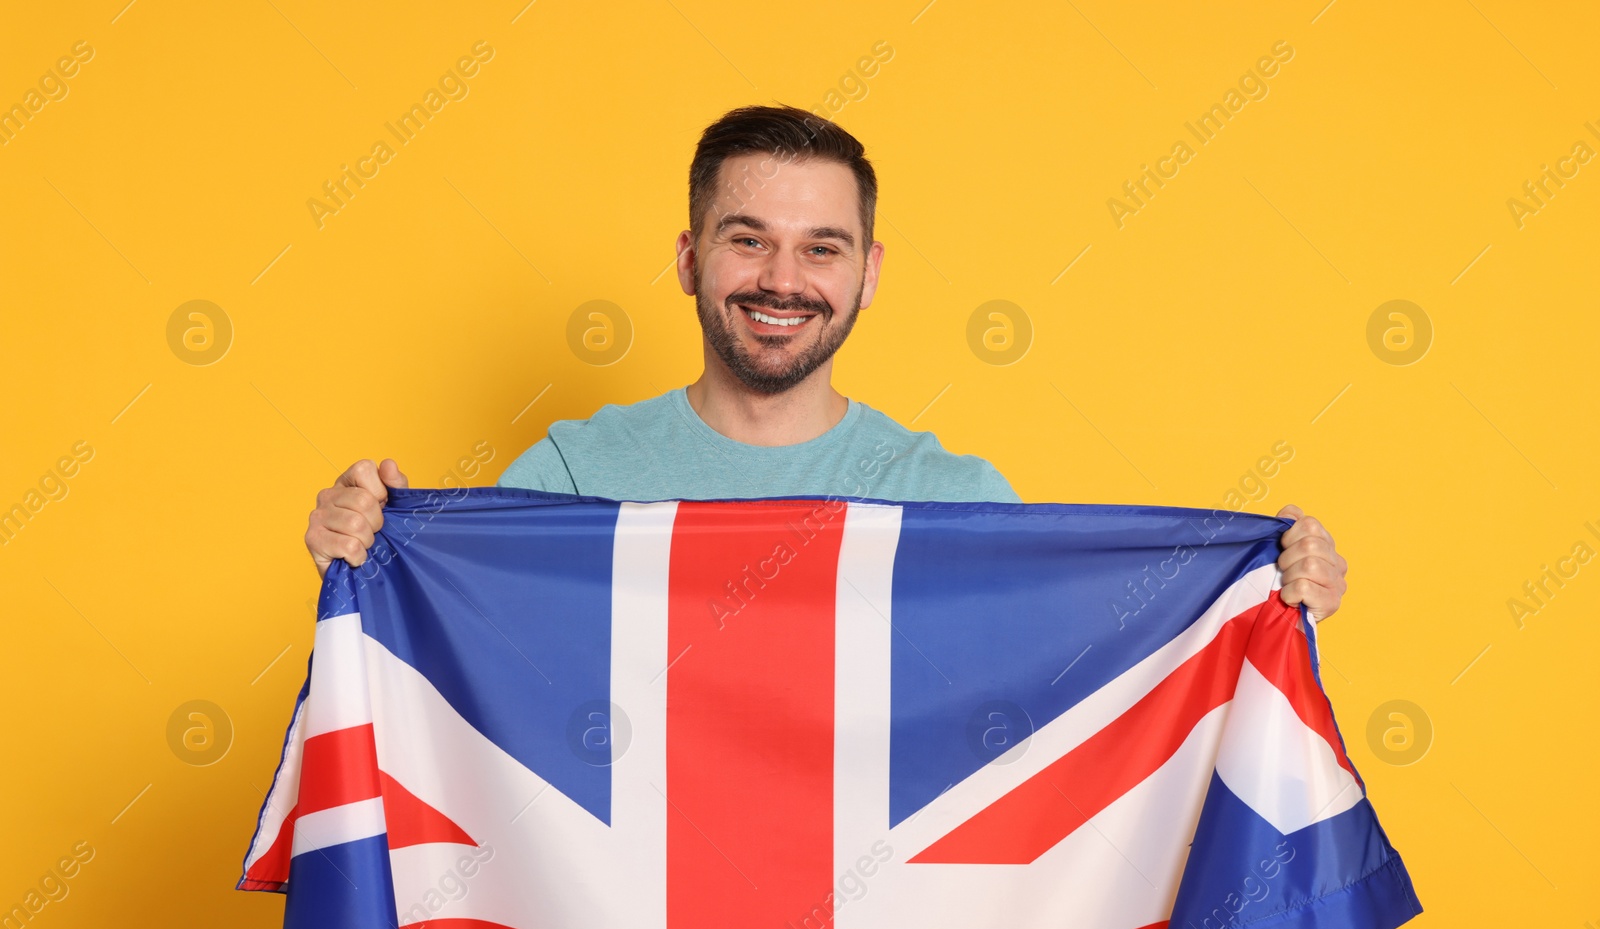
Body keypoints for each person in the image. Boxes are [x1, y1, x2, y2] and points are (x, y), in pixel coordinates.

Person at [303, 104, 1347, 620]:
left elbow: (1073, 696)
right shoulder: (570, 477)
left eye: (821, 247)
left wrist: (1254, 596)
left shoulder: (955, 500)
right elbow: (476, 676)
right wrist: (371, 559)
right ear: (687, 256)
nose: (782, 278)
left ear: (869, 270)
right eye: (746, 237)